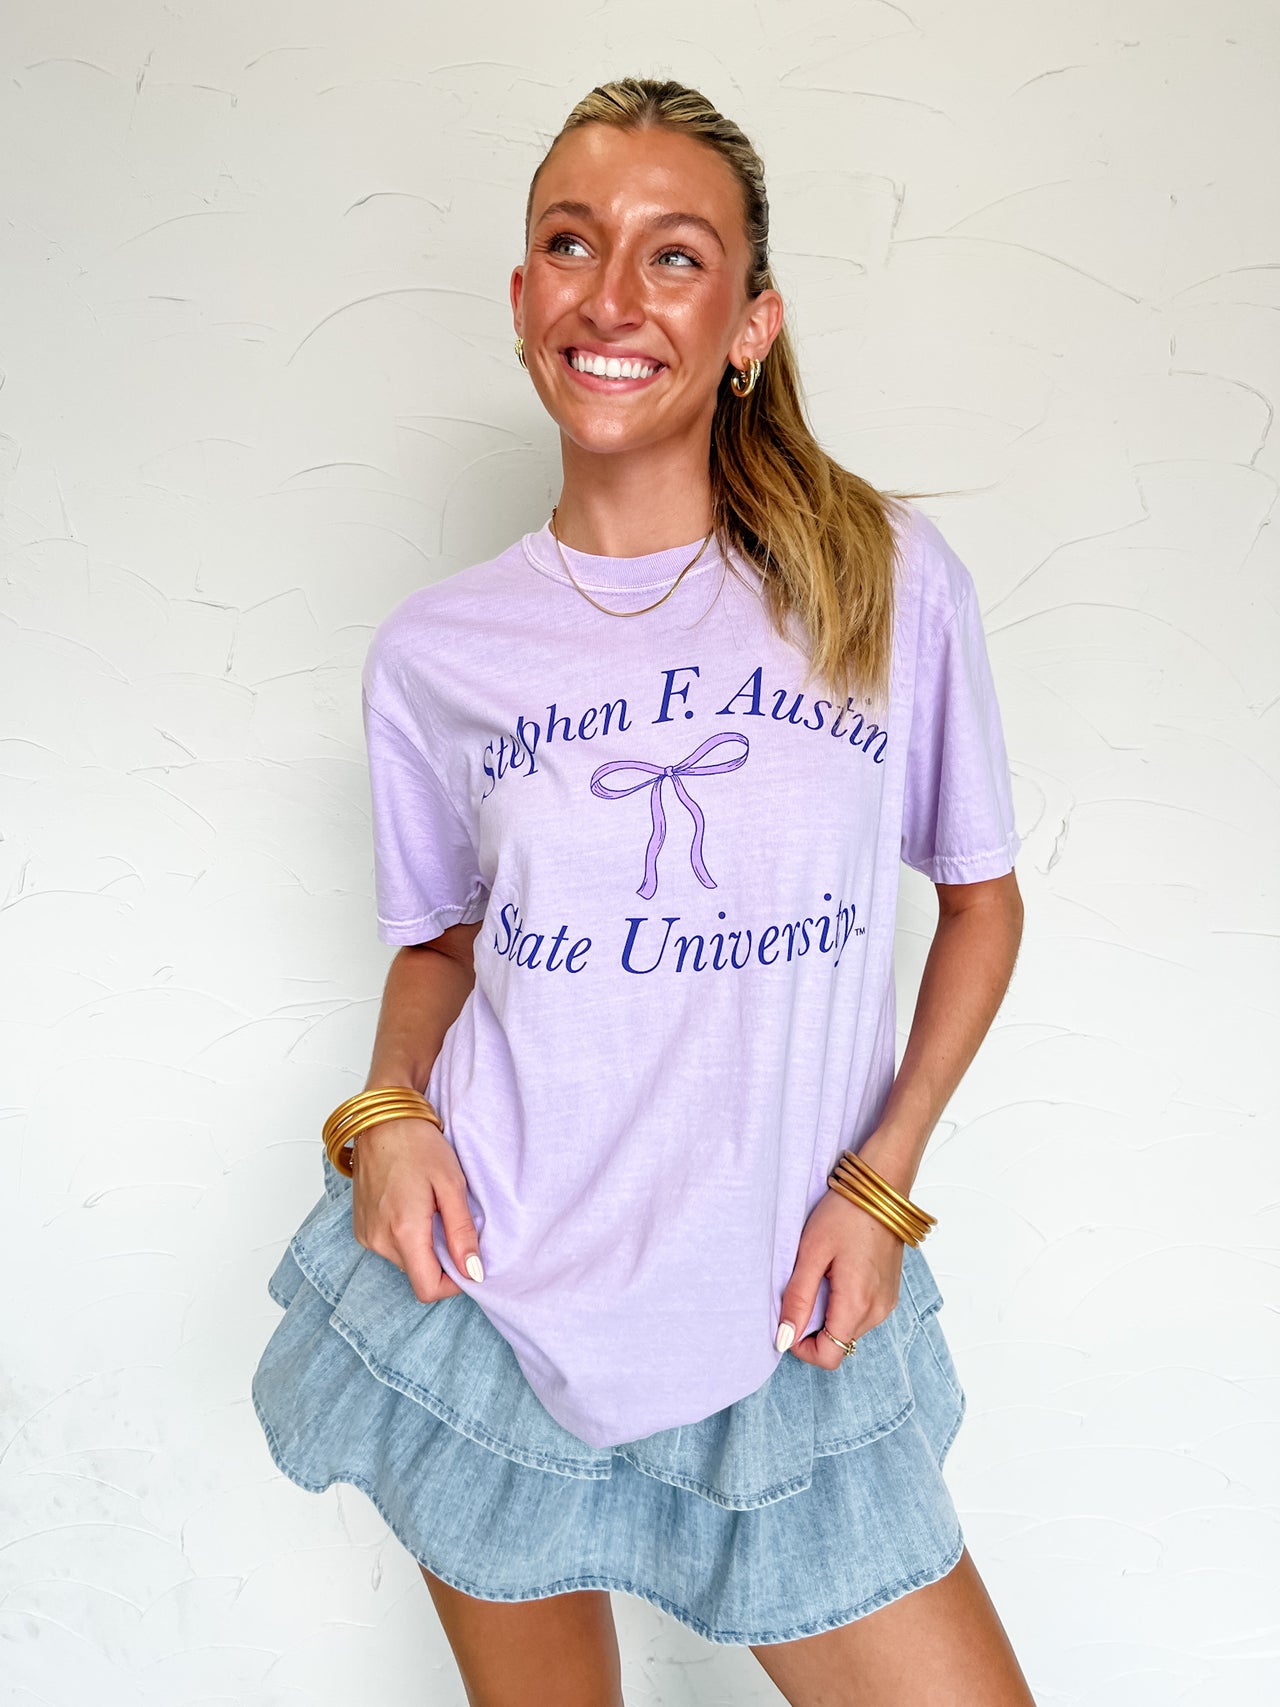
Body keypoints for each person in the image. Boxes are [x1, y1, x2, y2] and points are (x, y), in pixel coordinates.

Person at [252, 76, 1035, 1706]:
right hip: (495, 1292)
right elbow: (441, 944)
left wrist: (881, 1189)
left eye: (674, 256)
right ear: (522, 296)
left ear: (751, 323)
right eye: (571, 243)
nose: (611, 295)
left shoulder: (882, 583)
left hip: (783, 1305)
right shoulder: (438, 653)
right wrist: (387, 1117)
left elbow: (981, 905)